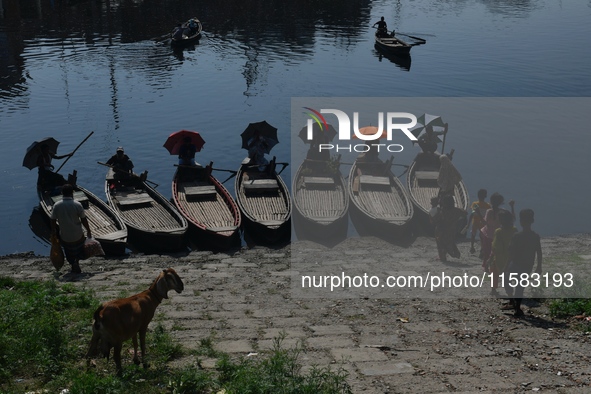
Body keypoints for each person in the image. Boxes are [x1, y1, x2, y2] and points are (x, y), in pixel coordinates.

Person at [505, 209, 542, 317]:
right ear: (532, 221)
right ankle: (517, 307)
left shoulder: (517, 236)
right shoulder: (535, 236)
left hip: (515, 264)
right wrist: (539, 266)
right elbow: (539, 252)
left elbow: (511, 253)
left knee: (507, 280)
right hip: (527, 266)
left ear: (521, 221)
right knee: (520, 286)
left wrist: (506, 266)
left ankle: (514, 304)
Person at [50, 184, 91, 274]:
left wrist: (53, 231)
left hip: (65, 235)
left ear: (62, 193)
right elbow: (83, 219)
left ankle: (73, 263)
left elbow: (52, 219)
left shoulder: (57, 205)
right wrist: (88, 230)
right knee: (78, 248)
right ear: (72, 193)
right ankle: (76, 261)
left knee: (68, 251)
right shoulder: (77, 204)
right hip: (78, 234)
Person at [485, 210, 517, 296]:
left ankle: (494, 289)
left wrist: (490, 258)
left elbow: (495, 247)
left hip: (499, 257)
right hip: (511, 257)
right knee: (508, 276)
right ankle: (510, 292)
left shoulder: (498, 231)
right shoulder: (515, 230)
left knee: (494, 273)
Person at [480, 192, 515, 272]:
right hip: (498, 236)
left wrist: (479, 215)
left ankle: (486, 266)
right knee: (496, 252)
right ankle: (497, 266)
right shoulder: (503, 212)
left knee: (487, 251)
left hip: (488, 235)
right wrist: (512, 207)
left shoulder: (489, 211)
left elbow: (485, 223)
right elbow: (512, 218)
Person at [432, 194, 466, 263]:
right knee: (449, 241)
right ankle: (451, 252)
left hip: (441, 230)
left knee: (440, 244)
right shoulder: (456, 211)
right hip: (451, 230)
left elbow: (434, 218)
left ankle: (442, 256)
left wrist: (434, 206)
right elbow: (465, 213)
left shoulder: (441, 211)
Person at [468, 189, 491, 255]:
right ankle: (482, 249)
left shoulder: (475, 204)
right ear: (485, 196)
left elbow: (472, 214)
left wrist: (468, 224)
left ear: (478, 196)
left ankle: (472, 247)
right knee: (482, 237)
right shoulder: (488, 205)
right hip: (483, 223)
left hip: (475, 222)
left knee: (473, 235)